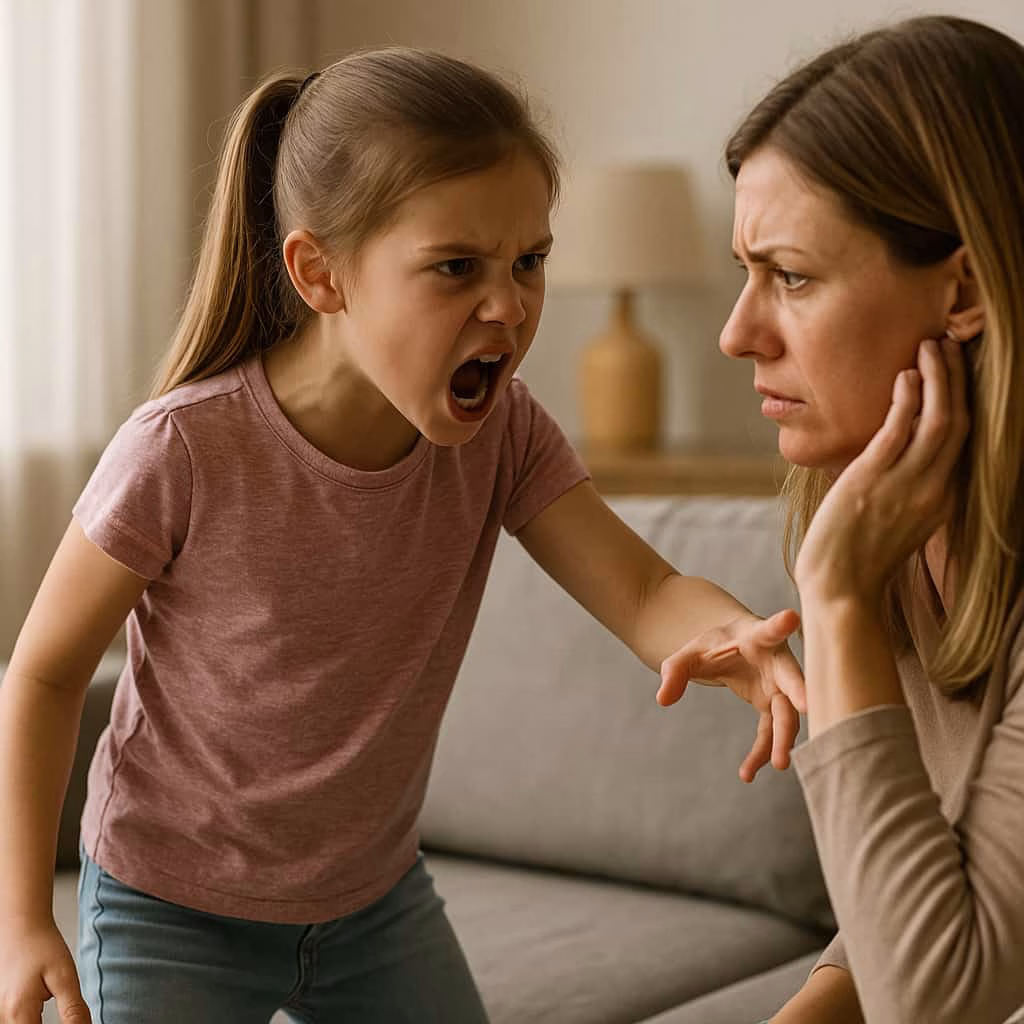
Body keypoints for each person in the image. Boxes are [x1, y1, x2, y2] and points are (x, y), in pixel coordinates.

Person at [0, 48, 806, 1024]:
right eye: (455, 267)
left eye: (529, 261)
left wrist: (735, 637)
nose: (508, 305)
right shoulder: (184, 449)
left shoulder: (502, 435)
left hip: (372, 908)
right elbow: (41, 675)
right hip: (171, 907)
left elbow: (640, 592)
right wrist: (19, 919)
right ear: (320, 273)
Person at [686, 13, 1024, 1024]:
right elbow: (907, 898)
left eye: (789, 276)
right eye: (745, 272)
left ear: (960, 288)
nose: (736, 333)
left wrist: (831, 602)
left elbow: (938, 995)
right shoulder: (887, 523)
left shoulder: (849, 556)